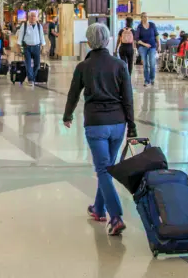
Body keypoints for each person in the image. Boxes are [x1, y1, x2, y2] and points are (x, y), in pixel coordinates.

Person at [62, 23, 136, 236]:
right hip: (117, 124)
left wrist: (67, 116)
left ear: (89, 41)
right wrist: (131, 126)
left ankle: (116, 216)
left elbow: (73, 94)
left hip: (96, 124)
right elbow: (128, 99)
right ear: (108, 40)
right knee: (108, 168)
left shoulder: (83, 67)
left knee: (103, 169)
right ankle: (98, 208)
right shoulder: (119, 65)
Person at [17, 11, 46, 87]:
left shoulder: (39, 26)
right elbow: (20, 36)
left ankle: (32, 77)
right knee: (28, 64)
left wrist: (43, 48)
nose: (33, 18)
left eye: (34, 16)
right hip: (27, 48)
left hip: (36, 47)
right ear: (29, 17)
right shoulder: (24, 25)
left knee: (37, 64)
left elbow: (42, 37)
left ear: (36, 18)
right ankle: (30, 79)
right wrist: (19, 47)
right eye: (31, 16)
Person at [135, 13, 160, 86]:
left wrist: (159, 45)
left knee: (152, 63)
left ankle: (152, 79)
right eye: (144, 17)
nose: (146, 18)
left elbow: (157, 35)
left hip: (152, 46)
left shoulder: (152, 25)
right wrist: (145, 44)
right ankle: (146, 80)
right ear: (141, 18)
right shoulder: (139, 27)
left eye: (147, 16)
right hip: (143, 47)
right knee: (145, 64)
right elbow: (137, 39)